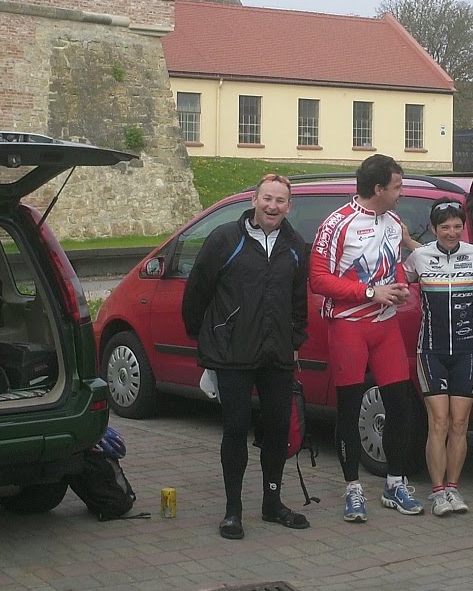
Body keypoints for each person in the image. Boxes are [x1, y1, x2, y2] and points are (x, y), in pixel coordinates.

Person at [181, 173, 310, 540]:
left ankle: (272, 503)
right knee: (235, 430)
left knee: (277, 431)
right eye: (266, 198)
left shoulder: (295, 245)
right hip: (232, 355)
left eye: (280, 201)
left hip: (277, 357)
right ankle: (232, 510)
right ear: (254, 200)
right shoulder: (225, 239)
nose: (272, 206)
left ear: (289, 206)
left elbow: (299, 301)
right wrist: (206, 342)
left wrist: (294, 339)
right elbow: (196, 295)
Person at [309, 153, 425, 522]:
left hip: (385, 326)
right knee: (349, 409)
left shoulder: (392, 221)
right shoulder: (336, 224)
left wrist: (401, 286)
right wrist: (369, 294)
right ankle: (352, 489)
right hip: (349, 326)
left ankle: (394, 483)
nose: (402, 193)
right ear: (378, 189)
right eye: (397, 187)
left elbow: (393, 268)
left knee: (401, 406)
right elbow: (318, 280)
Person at [403, 198, 473, 516]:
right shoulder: (420, 257)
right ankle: (437, 493)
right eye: (444, 227)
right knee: (438, 422)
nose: (451, 232)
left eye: (456, 226)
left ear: (463, 227)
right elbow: (399, 276)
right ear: (434, 229)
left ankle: (453, 488)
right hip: (432, 351)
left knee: (459, 423)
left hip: (468, 351)